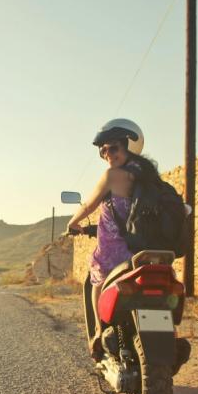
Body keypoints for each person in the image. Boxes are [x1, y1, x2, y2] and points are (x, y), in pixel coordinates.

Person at [66, 118, 162, 359]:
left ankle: (99, 332)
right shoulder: (150, 178)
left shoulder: (112, 176)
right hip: (146, 254)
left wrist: (73, 223)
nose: (108, 154)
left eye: (114, 147)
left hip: (117, 256)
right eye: (103, 150)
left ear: (128, 146)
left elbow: (89, 204)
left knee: (96, 275)